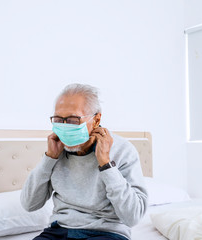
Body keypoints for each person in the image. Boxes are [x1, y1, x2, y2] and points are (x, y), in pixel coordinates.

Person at [21, 83, 148, 240]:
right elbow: (29, 204)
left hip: (107, 233)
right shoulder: (56, 150)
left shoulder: (123, 150)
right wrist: (49, 159)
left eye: (73, 120)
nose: (64, 127)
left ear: (96, 120)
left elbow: (133, 216)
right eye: (59, 120)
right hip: (60, 231)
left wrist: (106, 164)